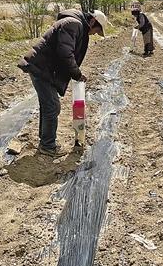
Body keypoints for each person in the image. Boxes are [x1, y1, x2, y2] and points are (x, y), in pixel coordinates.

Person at [18, 8, 107, 156]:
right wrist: (77, 74)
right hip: (41, 67)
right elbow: (65, 53)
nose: (94, 34)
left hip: (44, 68)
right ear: (92, 22)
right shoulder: (74, 24)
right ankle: (47, 146)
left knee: (49, 106)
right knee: (52, 107)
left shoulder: (73, 23)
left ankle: (45, 141)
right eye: (96, 31)